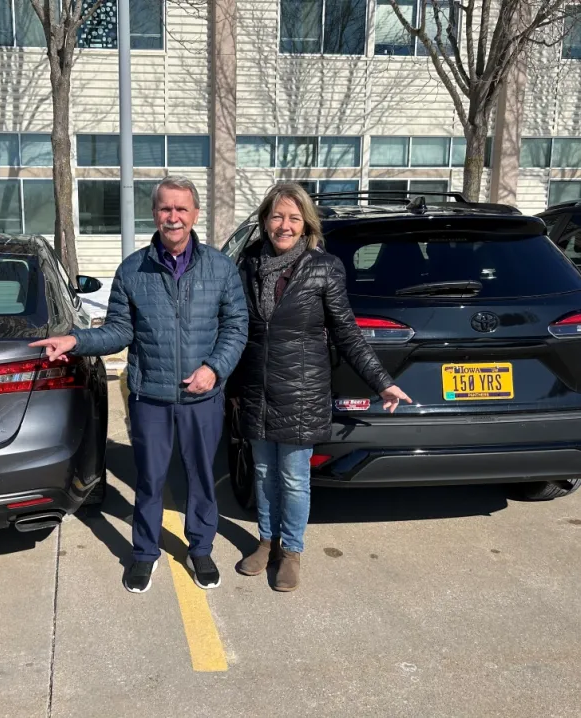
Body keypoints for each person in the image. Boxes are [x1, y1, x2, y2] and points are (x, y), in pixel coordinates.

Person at [30, 176, 248, 594]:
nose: (173, 217)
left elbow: (237, 327)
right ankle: (144, 553)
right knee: (149, 479)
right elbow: (117, 332)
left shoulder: (220, 268)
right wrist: (76, 339)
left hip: (203, 397)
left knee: (202, 477)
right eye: (166, 209)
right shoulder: (133, 269)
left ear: (195, 214)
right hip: (151, 396)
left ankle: (200, 548)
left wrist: (215, 369)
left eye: (181, 209)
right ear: (155, 214)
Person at [231, 183, 411, 592]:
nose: (284, 225)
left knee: (294, 477)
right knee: (262, 474)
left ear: (306, 223)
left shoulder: (324, 267)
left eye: (294, 218)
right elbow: (236, 329)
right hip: (258, 389)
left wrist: (382, 383)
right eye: (277, 216)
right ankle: (267, 542)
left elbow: (347, 333)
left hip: (302, 390)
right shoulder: (248, 265)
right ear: (264, 220)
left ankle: (291, 552)